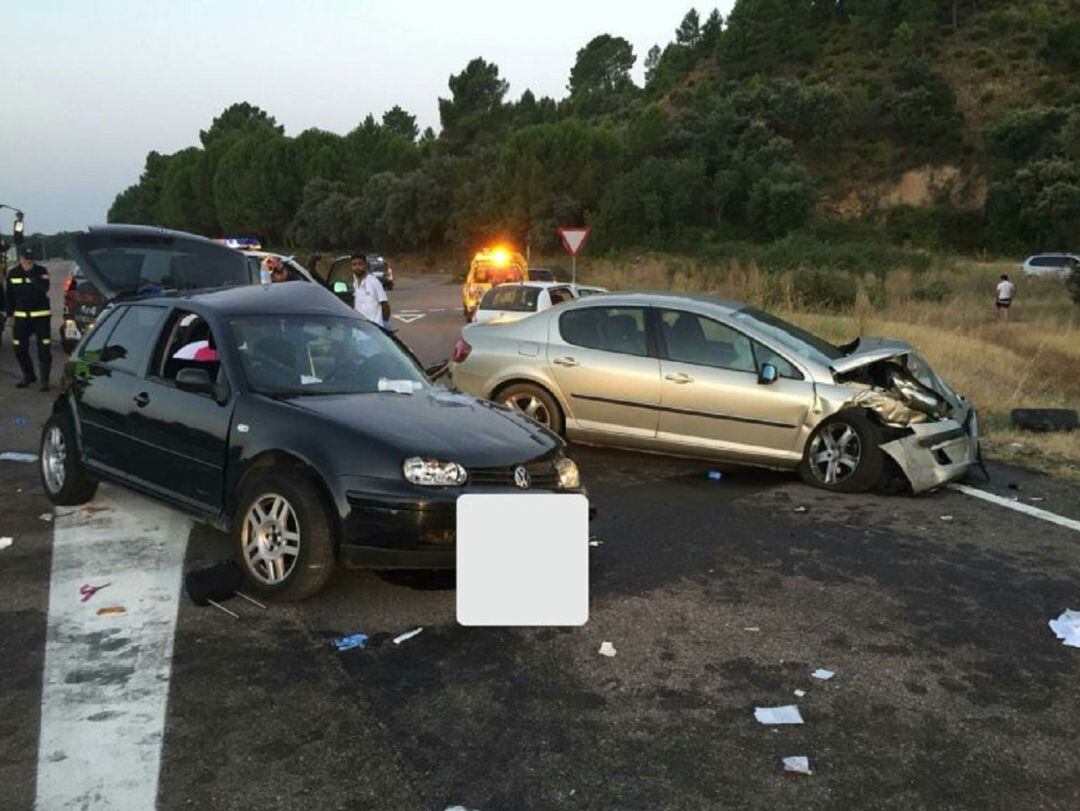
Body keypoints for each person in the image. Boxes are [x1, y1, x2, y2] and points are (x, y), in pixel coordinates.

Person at [5, 246, 52, 390]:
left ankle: (44, 380)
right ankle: (28, 375)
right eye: (26, 259)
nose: (28, 261)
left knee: (44, 349)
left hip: (41, 317)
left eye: (31, 259)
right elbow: (9, 297)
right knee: (19, 348)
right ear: (21, 258)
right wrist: (9, 315)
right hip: (21, 318)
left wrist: (30, 275)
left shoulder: (41, 271)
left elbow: (44, 288)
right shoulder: (13, 273)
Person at [351, 253, 390, 327]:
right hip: (361, 328)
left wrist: (384, 324)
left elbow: (385, 305)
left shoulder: (373, 281)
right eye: (354, 265)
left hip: (375, 328)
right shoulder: (355, 283)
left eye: (360, 264)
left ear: (365, 265)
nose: (357, 267)